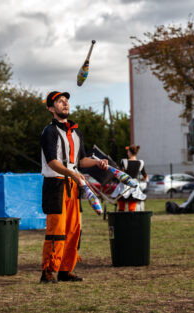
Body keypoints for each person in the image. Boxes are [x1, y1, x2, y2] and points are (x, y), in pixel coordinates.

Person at [40, 91, 108, 283]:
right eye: (59, 102)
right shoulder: (49, 132)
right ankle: (48, 271)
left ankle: (65, 269)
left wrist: (96, 163)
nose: (65, 104)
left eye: (66, 101)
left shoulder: (76, 132)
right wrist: (73, 173)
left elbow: (81, 160)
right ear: (51, 108)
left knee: (74, 229)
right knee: (57, 229)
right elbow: (52, 162)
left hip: (73, 184)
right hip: (55, 184)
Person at [111, 145, 148, 212]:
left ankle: (121, 220)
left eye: (128, 151)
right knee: (132, 209)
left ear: (129, 152)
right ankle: (131, 220)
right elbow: (145, 176)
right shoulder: (140, 163)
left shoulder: (124, 162)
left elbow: (120, 174)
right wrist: (143, 179)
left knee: (121, 208)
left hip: (124, 185)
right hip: (134, 186)